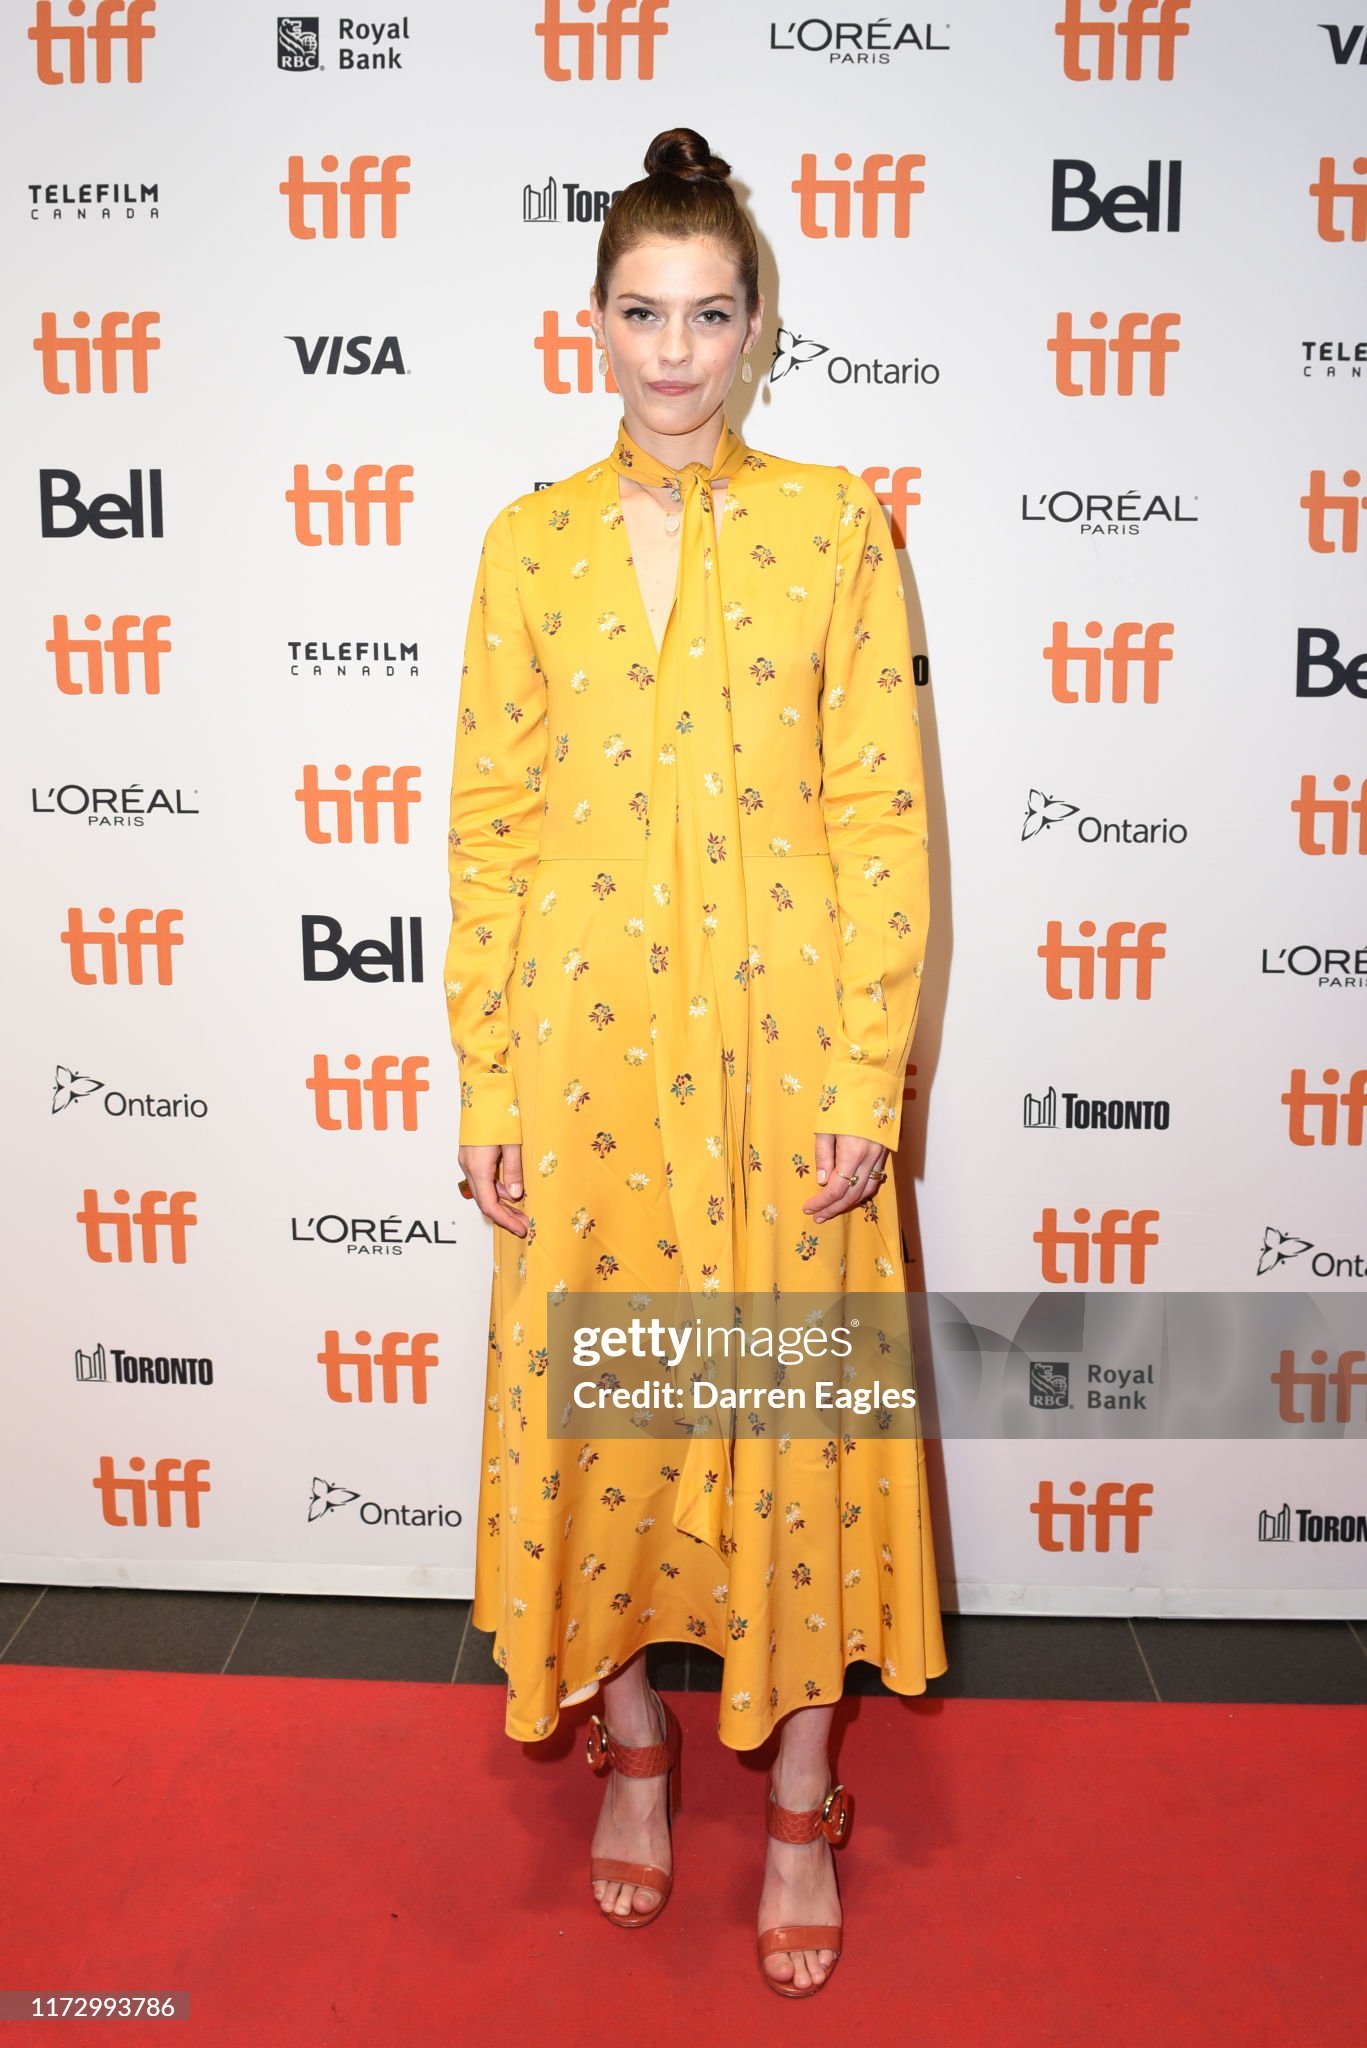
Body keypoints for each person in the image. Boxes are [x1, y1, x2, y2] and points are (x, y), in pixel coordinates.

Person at [444, 126, 947, 1998]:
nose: (676, 352)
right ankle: (638, 1747)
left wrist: (865, 1078)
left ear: (758, 325)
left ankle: (803, 1800)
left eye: (711, 313)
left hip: (787, 1054)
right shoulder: (529, 544)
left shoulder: (835, 524)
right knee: (617, 1414)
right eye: (643, 312)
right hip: (585, 1057)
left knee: (798, 1417)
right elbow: (490, 830)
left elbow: (883, 818)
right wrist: (489, 1083)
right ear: (592, 321)